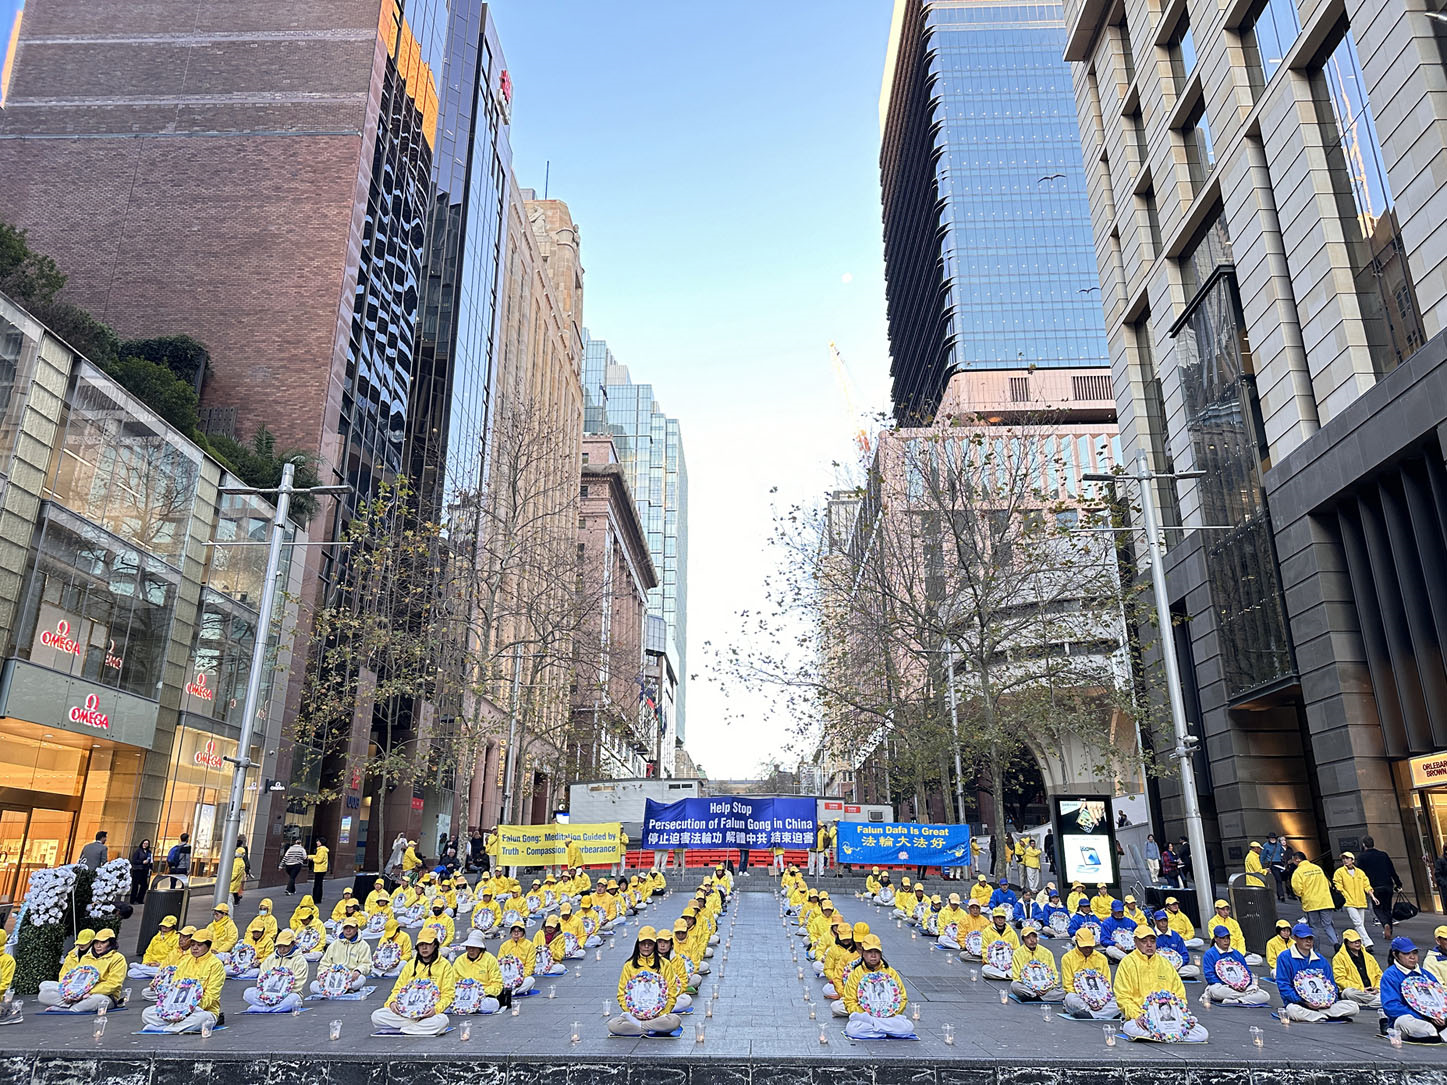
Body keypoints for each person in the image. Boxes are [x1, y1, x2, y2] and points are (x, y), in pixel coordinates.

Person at [1115, 926, 1208, 1042]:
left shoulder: (1165, 963)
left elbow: (1179, 994)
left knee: (1202, 1033)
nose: (1149, 944)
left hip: (1168, 1018)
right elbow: (1122, 997)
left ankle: (1161, 1036)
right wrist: (1137, 1015)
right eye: (1144, 941)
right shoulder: (1127, 963)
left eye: (1152, 941)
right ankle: (1169, 1036)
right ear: (1135, 942)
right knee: (1131, 1027)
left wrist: (1181, 1016)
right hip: (1142, 1017)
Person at [371, 927, 455, 1036]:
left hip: (429, 1014)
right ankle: (415, 1027)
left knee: (442, 1021)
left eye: (428, 944)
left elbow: (448, 995)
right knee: (377, 1016)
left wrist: (435, 1010)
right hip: (405, 1012)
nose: (424, 948)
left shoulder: (445, 966)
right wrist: (391, 1003)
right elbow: (397, 989)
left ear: (435, 945)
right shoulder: (410, 965)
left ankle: (405, 1029)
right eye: (421, 944)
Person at [141, 928, 225, 1033]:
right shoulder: (185, 961)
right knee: (147, 1013)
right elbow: (173, 987)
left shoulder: (216, 964)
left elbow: (212, 996)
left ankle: (166, 1028)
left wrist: (189, 1009)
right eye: (193, 945)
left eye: (199, 945)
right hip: (176, 1007)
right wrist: (170, 1007)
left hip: (200, 1009)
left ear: (208, 946)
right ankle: (176, 1026)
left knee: (204, 1018)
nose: (194, 948)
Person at [608, 926, 682, 1036]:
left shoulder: (665, 964)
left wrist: (660, 1013)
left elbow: (671, 993)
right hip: (634, 1016)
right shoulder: (629, 965)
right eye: (643, 943)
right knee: (613, 1024)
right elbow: (621, 994)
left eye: (650, 944)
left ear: (654, 945)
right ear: (638, 944)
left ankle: (642, 1028)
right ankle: (649, 1029)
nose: (646, 947)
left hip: (657, 1017)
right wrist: (633, 1013)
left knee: (674, 1021)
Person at [1275, 922, 1358, 1021]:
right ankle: (1323, 1015)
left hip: (1324, 1004)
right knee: (1292, 1010)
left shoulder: (1320, 959)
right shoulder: (1285, 957)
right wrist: (1303, 1001)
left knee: (1353, 1007)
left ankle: (1318, 1015)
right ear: (1295, 938)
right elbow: (1284, 986)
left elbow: (1332, 985)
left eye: (1310, 938)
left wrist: (1329, 1001)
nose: (1308, 941)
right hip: (1300, 1004)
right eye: (1303, 938)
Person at [842, 934, 915, 1038]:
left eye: (876, 952)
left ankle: (877, 1030)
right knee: (853, 1030)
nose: (873, 955)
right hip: (866, 1017)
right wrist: (868, 1013)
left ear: (881, 954)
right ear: (863, 953)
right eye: (869, 952)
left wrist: (890, 1013)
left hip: (889, 1017)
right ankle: (884, 1029)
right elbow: (849, 1001)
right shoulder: (855, 974)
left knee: (908, 1028)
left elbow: (902, 998)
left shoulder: (891, 972)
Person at [39, 927, 125, 1012]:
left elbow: (114, 984)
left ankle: (69, 1009)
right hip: (79, 994)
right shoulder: (86, 957)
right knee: (44, 994)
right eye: (96, 943)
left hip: (102, 995)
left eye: (103, 942)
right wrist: (70, 993)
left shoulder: (118, 958)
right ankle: (74, 1005)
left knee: (97, 1000)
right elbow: (74, 978)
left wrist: (89, 992)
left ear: (111, 943)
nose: (98, 946)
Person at [1382, 936, 1447, 1041]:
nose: (1412, 957)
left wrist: (1441, 1015)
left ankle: (1435, 1034)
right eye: (1406, 954)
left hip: (1436, 1019)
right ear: (1395, 955)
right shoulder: (1390, 975)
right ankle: (1435, 1034)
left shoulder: (1426, 975)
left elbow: (1441, 998)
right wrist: (1425, 1016)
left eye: (1415, 953)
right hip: (1411, 1019)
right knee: (1405, 1021)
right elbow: (1391, 1007)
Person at [1202, 924, 1271, 1006]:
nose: (1226, 940)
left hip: (1241, 988)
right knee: (1215, 990)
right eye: (1223, 938)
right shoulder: (1210, 954)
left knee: (1265, 995)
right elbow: (1210, 977)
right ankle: (1246, 996)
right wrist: (1231, 986)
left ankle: (1238, 1000)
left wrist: (1244, 985)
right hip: (1224, 987)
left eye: (1228, 938)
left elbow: (1247, 973)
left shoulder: (1236, 954)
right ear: (1216, 939)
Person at [1060, 928, 1120, 1019]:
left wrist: (1102, 1001)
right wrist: (1089, 1002)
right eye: (1085, 946)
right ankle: (1103, 1013)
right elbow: (1068, 986)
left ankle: (1091, 1014)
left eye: (1090, 946)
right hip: (1080, 998)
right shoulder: (1067, 958)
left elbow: (1107, 984)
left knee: (1119, 1001)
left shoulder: (1101, 958)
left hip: (1100, 998)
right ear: (1076, 943)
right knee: (1070, 998)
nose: (1088, 949)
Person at [243, 929, 308, 1012]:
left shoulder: (300, 960)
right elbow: (261, 978)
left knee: (295, 999)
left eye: (285, 946)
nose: (282, 949)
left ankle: (262, 1008)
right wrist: (267, 994)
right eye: (280, 946)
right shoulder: (270, 958)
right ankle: (272, 1008)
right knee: (248, 993)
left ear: (293, 943)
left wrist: (281, 993)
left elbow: (298, 984)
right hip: (267, 993)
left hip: (288, 994)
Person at [1289, 851, 1338, 951]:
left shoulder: (1298, 872)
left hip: (1311, 903)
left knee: (1314, 927)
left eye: (1293, 860)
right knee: (1328, 925)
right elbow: (1328, 884)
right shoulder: (1317, 868)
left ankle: (1316, 950)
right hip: (1325, 901)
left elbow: (1297, 889)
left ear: (1297, 859)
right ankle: (1336, 943)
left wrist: (1301, 896)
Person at [1356, 835, 1403, 941]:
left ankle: (1385, 924)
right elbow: (1392, 870)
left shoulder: (1362, 857)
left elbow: (1360, 875)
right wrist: (1398, 883)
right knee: (1387, 909)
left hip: (1374, 887)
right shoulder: (1383, 855)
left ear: (1363, 845)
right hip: (1387, 885)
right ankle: (1389, 929)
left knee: (1378, 909)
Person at [312, 917, 373, 996]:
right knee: (313, 985)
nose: (348, 931)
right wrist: (321, 974)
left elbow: (366, 964)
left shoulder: (363, 945)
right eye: (345, 928)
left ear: (357, 928)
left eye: (351, 928)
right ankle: (343, 990)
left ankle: (339, 990)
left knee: (361, 979)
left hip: (350, 977)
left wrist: (358, 971)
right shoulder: (334, 944)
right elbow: (324, 963)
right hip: (332, 977)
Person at [1008, 923, 1066, 1003]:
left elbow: (1053, 974)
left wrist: (1047, 988)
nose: (1032, 940)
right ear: (1023, 940)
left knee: (1062, 979)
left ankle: (1035, 997)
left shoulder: (1047, 952)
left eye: (1034, 937)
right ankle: (1041, 996)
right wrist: (1034, 988)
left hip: (1046, 987)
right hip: (1028, 987)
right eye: (1028, 938)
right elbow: (1017, 977)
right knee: (1015, 985)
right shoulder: (1017, 953)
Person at [450, 931, 503, 1014]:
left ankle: (469, 1009)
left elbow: (497, 984)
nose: (471, 950)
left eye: (474, 947)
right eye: (469, 947)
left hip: (482, 997)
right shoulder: (459, 961)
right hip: (463, 997)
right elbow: (453, 982)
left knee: (492, 1004)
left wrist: (480, 992)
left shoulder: (490, 959)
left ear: (480, 948)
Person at [1332, 850, 1376, 949]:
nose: (1345, 860)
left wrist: (1372, 896)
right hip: (1349, 901)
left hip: (1360, 901)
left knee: (1360, 924)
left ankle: (1360, 944)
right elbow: (1337, 883)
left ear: (1352, 860)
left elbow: (1366, 885)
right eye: (1343, 858)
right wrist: (1340, 892)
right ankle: (1367, 941)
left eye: (1347, 858)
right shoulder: (1339, 872)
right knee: (1358, 922)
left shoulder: (1360, 873)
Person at [1333, 929, 1381, 1007]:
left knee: (1389, 990)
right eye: (1353, 941)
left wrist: (1376, 988)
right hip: (1355, 991)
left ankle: (1366, 1003)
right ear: (1346, 943)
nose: (1357, 943)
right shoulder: (1339, 958)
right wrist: (1361, 989)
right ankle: (1377, 1001)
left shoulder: (1369, 957)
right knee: (1348, 993)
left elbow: (1379, 975)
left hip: (1373, 990)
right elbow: (1340, 979)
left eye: (1358, 941)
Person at [1207, 899, 1261, 965]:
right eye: (1223, 910)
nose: (1226, 912)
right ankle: (1233, 961)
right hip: (1222, 952)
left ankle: (1234, 961)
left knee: (1258, 959)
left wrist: (1240, 953)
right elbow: (1216, 940)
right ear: (1217, 910)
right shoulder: (1212, 922)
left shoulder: (1234, 922)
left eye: (1227, 909)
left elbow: (1240, 939)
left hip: (1236, 952)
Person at [1149, 911, 1200, 979]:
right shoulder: (1150, 934)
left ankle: (1167, 974)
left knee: (1195, 970)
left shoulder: (1176, 935)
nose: (1163, 923)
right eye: (1160, 921)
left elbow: (1185, 955)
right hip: (1157, 967)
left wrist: (1178, 965)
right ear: (1155, 922)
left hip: (1176, 967)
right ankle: (1167, 974)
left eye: (1165, 920)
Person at [980, 907, 1021, 979]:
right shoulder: (987, 931)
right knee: (985, 969)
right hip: (993, 964)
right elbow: (984, 950)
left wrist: (1010, 964)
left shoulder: (1011, 932)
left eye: (1002, 917)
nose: (1000, 920)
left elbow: (1017, 950)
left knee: (1019, 969)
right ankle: (1006, 976)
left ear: (1005, 919)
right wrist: (992, 963)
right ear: (993, 919)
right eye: (998, 917)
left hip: (1008, 964)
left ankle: (1002, 975)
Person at [497, 921, 539, 992]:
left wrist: (520, 978)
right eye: (514, 931)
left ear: (523, 932)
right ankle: (510, 991)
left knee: (530, 980)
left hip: (521, 976)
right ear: (511, 933)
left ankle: (512, 992)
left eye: (519, 931)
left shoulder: (529, 945)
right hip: (506, 976)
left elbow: (530, 966)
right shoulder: (504, 946)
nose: (516, 934)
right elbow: (499, 963)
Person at [1262, 833, 1288, 901]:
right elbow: (1263, 856)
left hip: (1280, 863)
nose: (1272, 840)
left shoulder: (1279, 845)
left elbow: (1282, 852)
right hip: (1272, 864)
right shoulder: (1265, 845)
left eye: (1274, 838)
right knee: (1278, 879)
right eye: (1271, 838)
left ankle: (1280, 894)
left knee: (1281, 879)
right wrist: (1262, 865)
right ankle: (1281, 895)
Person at [130, 838, 153, 904]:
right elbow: (134, 860)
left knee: (144, 886)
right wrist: (142, 862)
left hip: (144, 870)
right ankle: (133, 900)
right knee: (135, 886)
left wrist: (150, 867)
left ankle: (139, 899)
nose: (145, 845)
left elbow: (150, 860)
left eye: (147, 844)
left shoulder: (149, 852)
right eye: (144, 843)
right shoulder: (138, 851)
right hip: (137, 870)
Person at [309, 836, 330, 901]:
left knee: (317, 885)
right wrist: (309, 856)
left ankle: (316, 898)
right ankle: (317, 898)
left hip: (320, 869)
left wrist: (312, 859)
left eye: (318, 841)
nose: (317, 842)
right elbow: (317, 856)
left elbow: (319, 860)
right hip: (321, 869)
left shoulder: (321, 850)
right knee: (319, 884)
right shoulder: (322, 850)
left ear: (321, 842)